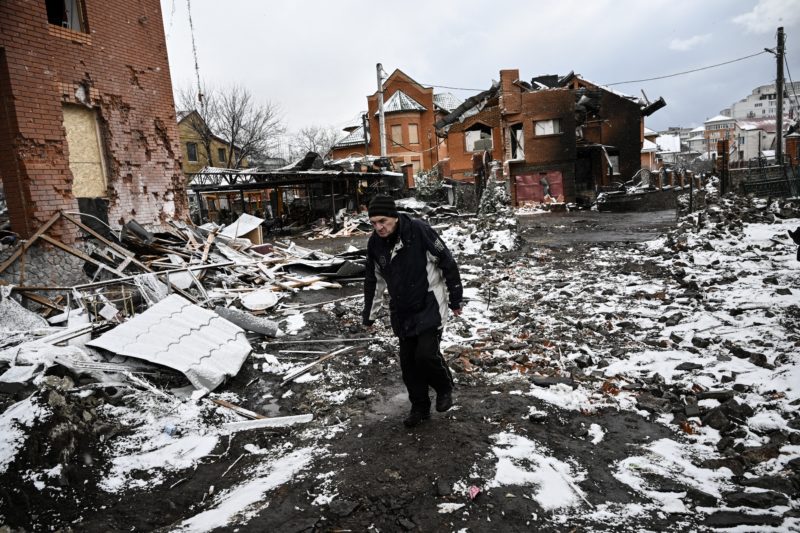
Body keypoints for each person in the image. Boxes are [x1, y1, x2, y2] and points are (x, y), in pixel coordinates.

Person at [362, 195, 463, 427]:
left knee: (426, 355)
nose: (379, 227)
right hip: (402, 310)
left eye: (383, 221)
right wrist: (369, 315)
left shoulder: (418, 231)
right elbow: (372, 280)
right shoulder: (375, 244)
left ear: (394, 217)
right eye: (374, 223)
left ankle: (444, 387)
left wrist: (456, 299)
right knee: (408, 364)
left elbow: (447, 261)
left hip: (429, 304)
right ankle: (420, 407)